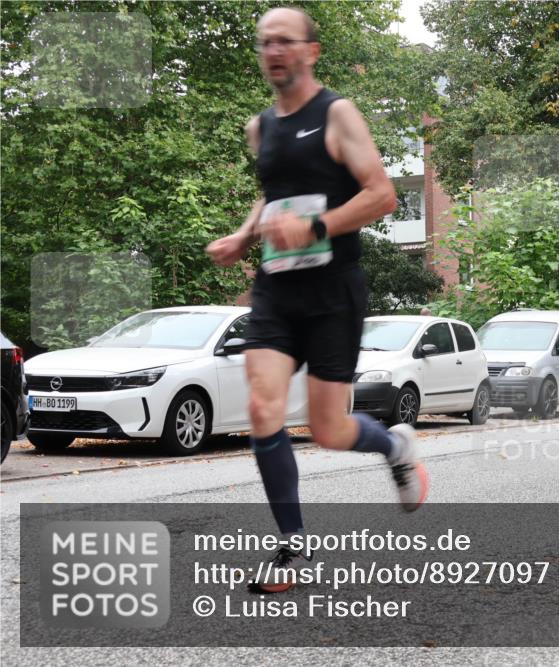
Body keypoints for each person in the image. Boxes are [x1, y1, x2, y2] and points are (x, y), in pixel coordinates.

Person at [206, 7, 428, 593]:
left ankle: (392, 443)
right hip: (277, 292)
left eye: (285, 42)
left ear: (311, 50)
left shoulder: (337, 114)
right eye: (265, 43)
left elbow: (381, 195)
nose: (273, 51)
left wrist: (320, 227)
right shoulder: (260, 128)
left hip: (333, 292)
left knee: (328, 430)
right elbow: (273, 198)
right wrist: (245, 234)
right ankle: (293, 547)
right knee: (262, 408)